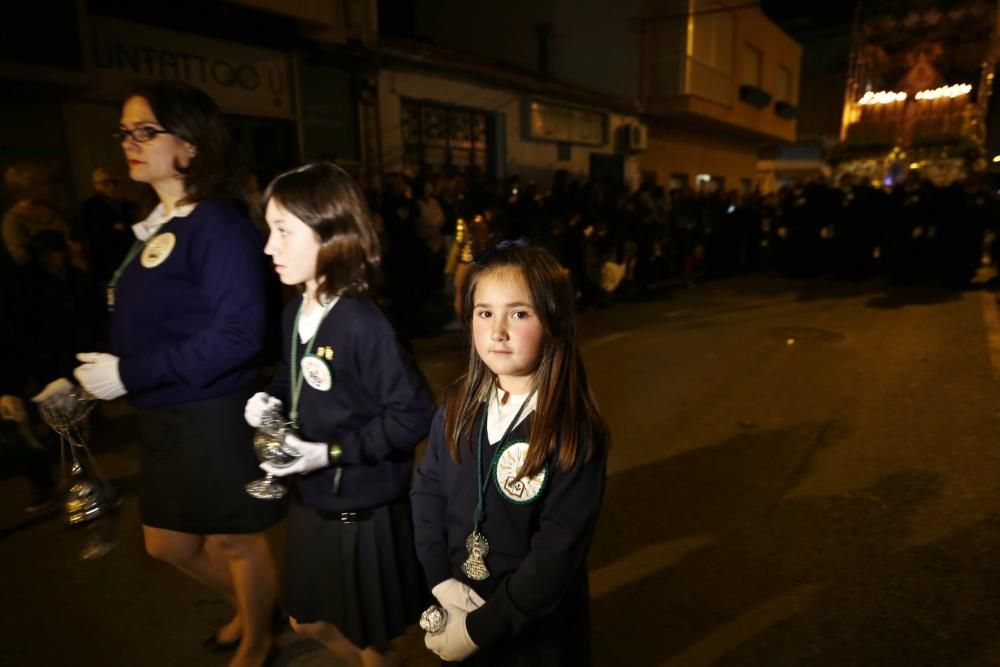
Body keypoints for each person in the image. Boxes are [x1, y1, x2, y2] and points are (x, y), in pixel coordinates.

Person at [71, 81, 283, 667]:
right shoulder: (160, 225)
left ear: (189, 146)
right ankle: (257, 609)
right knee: (167, 542)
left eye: (145, 131)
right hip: (166, 412)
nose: (129, 144)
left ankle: (259, 636)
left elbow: (239, 335)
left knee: (233, 539)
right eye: (125, 133)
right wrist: (76, 379)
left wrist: (130, 374)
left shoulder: (216, 224)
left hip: (211, 412)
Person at [245, 161, 435, 667]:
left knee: (373, 639)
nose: (269, 247)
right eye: (269, 230)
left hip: (360, 512)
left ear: (330, 232)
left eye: (283, 231)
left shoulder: (364, 325)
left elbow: (413, 414)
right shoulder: (295, 312)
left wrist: (325, 453)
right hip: (312, 503)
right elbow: (294, 379)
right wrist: (271, 400)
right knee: (305, 619)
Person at [411, 242, 610, 665]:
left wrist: (478, 630)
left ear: (553, 320)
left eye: (519, 313)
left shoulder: (573, 431)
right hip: (457, 599)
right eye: (485, 312)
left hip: (534, 633)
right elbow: (427, 492)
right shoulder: (455, 405)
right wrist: (440, 580)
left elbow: (555, 556)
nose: (497, 329)